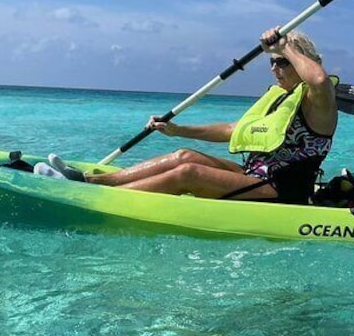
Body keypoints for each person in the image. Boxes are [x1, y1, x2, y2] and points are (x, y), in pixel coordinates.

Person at [44, 27, 337, 204]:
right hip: (255, 176)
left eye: (282, 63)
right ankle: (88, 181)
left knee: (189, 174)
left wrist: (286, 45)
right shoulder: (281, 98)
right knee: (184, 156)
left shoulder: (318, 102)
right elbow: (234, 130)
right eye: (272, 62)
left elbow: (320, 80)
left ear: (302, 62)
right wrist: (178, 129)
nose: (275, 68)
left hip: (283, 190)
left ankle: (93, 197)